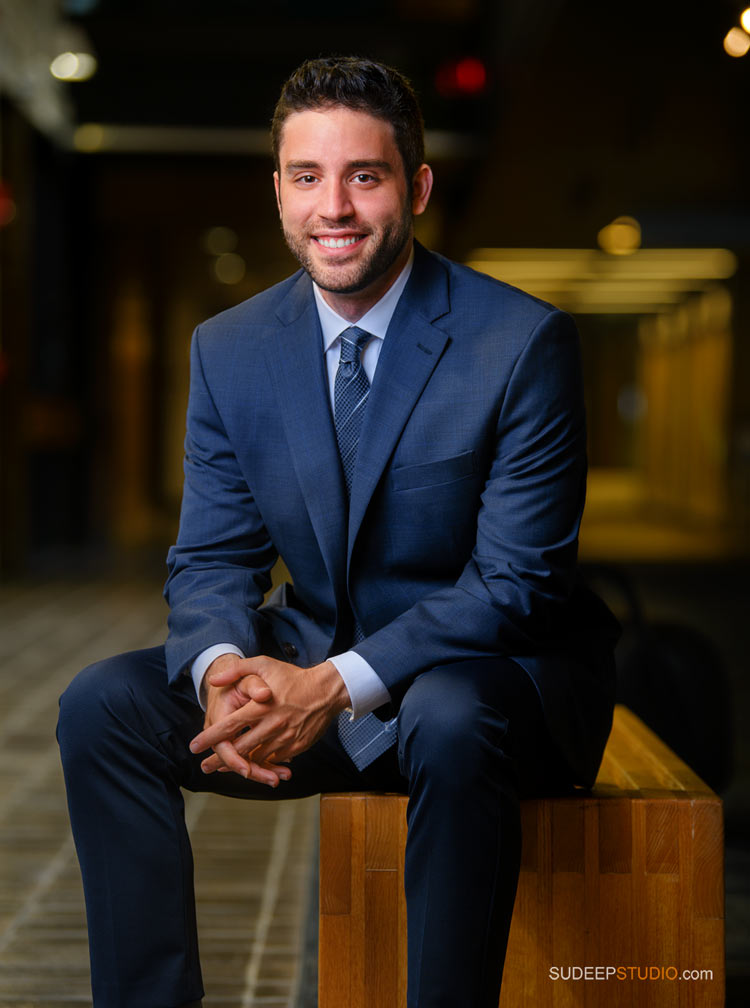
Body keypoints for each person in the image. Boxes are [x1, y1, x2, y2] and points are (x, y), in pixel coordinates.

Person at [57, 56, 619, 1008]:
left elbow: (516, 584)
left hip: (494, 688)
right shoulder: (230, 348)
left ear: (418, 186)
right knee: (101, 709)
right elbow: (211, 556)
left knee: (445, 712)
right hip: (315, 667)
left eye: (366, 175)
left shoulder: (519, 343)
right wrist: (225, 670)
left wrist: (332, 684)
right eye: (308, 177)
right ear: (277, 189)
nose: (336, 208)